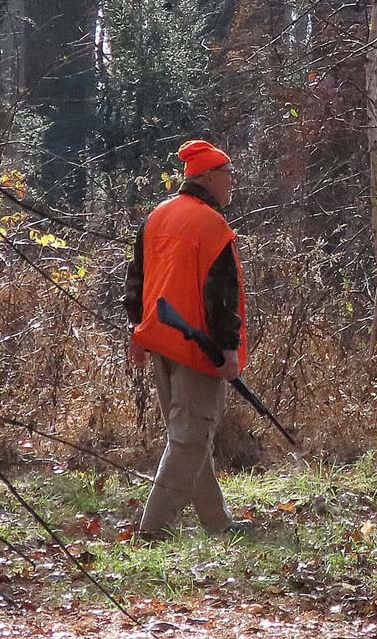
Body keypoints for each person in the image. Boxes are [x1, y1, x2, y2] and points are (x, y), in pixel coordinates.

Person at [124, 138, 251, 540]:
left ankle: (217, 522)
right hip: (197, 348)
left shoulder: (158, 216)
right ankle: (153, 529)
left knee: (190, 438)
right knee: (190, 439)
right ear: (208, 177)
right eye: (228, 174)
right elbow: (220, 295)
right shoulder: (210, 225)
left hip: (160, 340)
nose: (232, 181)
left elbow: (136, 280)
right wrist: (228, 348)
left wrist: (137, 330)